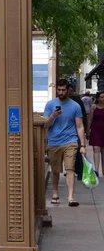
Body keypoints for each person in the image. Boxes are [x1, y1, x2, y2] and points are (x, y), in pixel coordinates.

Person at [44, 78, 86, 207]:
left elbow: (80, 126)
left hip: (70, 141)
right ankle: (55, 193)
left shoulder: (75, 106)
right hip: (54, 141)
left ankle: (71, 197)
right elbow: (45, 125)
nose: (61, 92)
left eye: (63, 90)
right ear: (56, 90)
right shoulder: (50, 105)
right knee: (55, 170)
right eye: (59, 90)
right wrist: (53, 116)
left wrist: (82, 145)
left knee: (70, 169)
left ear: (68, 90)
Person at [67, 84, 87, 180]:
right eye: (68, 90)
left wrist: (85, 129)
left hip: (77, 129)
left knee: (78, 151)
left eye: (71, 90)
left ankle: (79, 171)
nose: (69, 92)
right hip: (68, 131)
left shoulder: (78, 102)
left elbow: (83, 115)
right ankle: (70, 169)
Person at [87, 90, 104, 176]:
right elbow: (90, 119)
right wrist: (87, 130)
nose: (103, 99)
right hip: (96, 130)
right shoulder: (94, 106)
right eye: (102, 97)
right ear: (98, 98)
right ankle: (96, 170)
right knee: (96, 149)